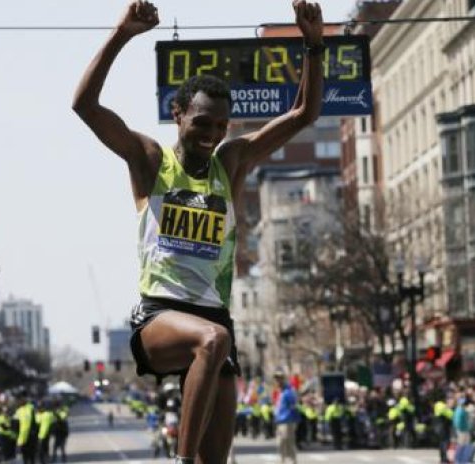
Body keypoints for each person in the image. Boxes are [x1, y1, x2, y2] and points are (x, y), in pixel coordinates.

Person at [73, 0, 324, 462]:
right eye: (202, 123)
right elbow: (84, 106)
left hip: (215, 318)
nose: (211, 134)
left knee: (219, 448)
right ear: (179, 114)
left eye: (221, 126)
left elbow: (305, 114)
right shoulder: (150, 161)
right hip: (160, 318)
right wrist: (121, 34)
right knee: (211, 340)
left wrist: (312, 44)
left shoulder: (231, 162)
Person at [273, 370, 299, 464]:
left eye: (279, 378)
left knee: (289, 442)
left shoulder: (288, 391)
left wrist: (293, 420)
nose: (277, 381)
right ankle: (282, 460)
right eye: (276, 379)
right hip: (279, 421)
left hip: (287, 421)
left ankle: (293, 461)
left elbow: (293, 405)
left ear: (283, 379)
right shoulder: (279, 392)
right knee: (280, 443)